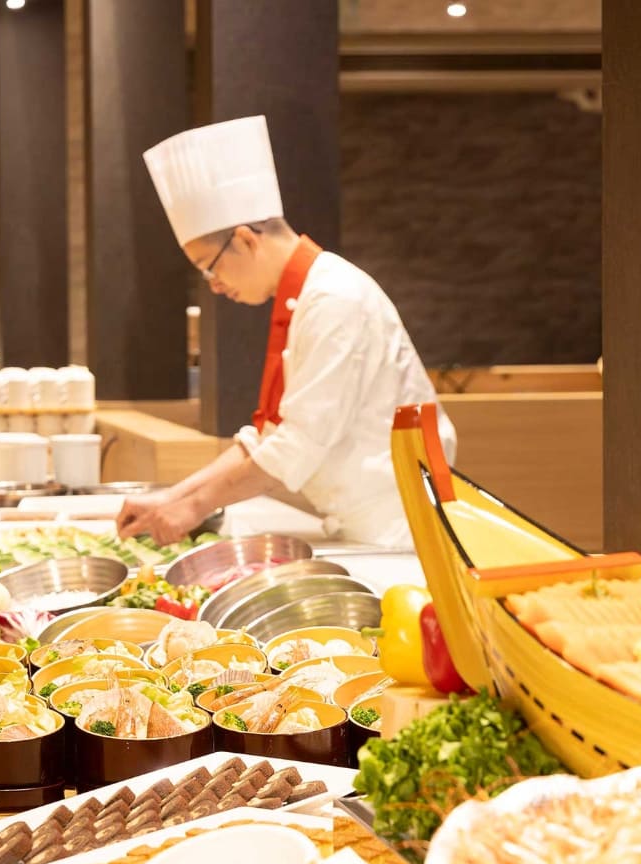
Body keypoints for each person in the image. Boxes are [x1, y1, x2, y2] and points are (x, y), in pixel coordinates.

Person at [116, 115, 457, 548]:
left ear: (245, 240)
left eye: (209, 267)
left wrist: (193, 506)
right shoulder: (308, 295)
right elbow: (270, 435)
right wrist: (173, 497)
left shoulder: (335, 297)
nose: (215, 285)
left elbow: (299, 445)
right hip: (367, 525)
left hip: (399, 530)